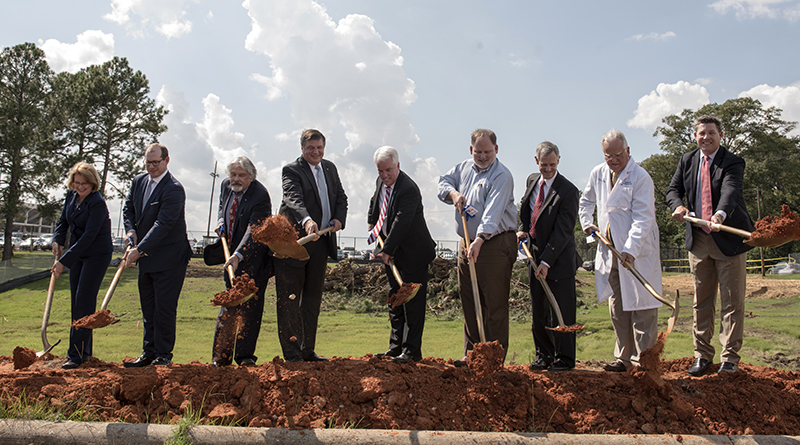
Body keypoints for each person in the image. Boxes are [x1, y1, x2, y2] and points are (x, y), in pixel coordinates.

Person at [666, 115, 754, 376]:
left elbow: (730, 191)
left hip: (728, 241)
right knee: (702, 302)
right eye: (701, 133)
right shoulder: (688, 160)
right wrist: (678, 206)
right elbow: (673, 189)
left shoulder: (733, 162)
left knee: (731, 302)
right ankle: (702, 355)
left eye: (711, 132)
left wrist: (719, 215)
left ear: (720, 135)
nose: (706, 137)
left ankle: (729, 358)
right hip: (699, 241)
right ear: (695, 136)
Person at [579, 130, 662, 372]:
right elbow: (586, 201)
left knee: (643, 307)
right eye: (608, 156)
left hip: (636, 253)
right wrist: (587, 223)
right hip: (609, 250)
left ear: (627, 151)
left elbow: (643, 218)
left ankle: (644, 362)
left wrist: (631, 249)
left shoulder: (641, 178)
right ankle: (623, 358)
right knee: (618, 306)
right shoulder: (598, 173)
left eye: (618, 155)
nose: (613, 160)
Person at [437, 129, 517, 366]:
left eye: (487, 152)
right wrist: (453, 193)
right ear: (471, 150)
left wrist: (480, 239)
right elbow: (443, 182)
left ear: (496, 150)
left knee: (493, 303)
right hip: (467, 242)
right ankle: (472, 355)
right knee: (470, 299)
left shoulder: (502, 176)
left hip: (494, 243)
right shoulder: (463, 168)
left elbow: (492, 213)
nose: (483, 156)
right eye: (478, 152)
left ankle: (493, 358)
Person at [275, 129, 348, 362]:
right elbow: (292, 199)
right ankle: (292, 352)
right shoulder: (292, 170)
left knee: (313, 299)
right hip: (296, 243)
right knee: (290, 298)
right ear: (302, 148)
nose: (316, 152)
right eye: (311, 148)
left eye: (319, 147)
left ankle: (307, 350)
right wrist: (307, 221)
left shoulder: (330, 168)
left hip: (321, 243)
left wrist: (338, 218)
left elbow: (341, 198)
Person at [122, 143, 192, 367]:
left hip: (170, 257)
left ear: (166, 161)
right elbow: (128, 209)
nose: (151, 167)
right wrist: (130, 230)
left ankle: (163, 355)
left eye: (156, 162)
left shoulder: (173, 188)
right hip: (146, 257)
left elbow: (163, 224)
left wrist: (139, 250)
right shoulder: (138, 182)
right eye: (148, 162)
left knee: (164, 308)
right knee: (148, 307)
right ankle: (148, 351)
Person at [517, 142, 581, 372]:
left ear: (558, 161)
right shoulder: (532, 180)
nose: (548, 169)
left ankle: (564, 358)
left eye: (552, 165)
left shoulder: (568, 191)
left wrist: (546, 262)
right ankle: (543, 355)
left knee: (561, 310)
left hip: (559, 260)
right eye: (544, 165)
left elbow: (563, 231)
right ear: (537, 162)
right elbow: (526, 210)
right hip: (534, 256)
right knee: (540, 310)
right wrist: (523, 229)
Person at [368, 146, 436, 364]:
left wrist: (386, 250)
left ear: (398, 165)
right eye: (380, 171)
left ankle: (411, 350)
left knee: (412, 303)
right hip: (394, 252)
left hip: (413, 254)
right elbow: (375, 202)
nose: (384, 175)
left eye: (388, 170)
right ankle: (395, 347)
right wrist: (372, 223)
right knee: (395, 301)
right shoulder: (382, 181)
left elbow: (401, 222)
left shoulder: (408, 189)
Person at [51, 162, 114, 370]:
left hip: (96, 253)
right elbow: (62, 221)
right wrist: (57, 239)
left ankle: (76, 356)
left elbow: (88, 237)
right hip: (77, 252)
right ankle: (84, 352)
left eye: (85, 183)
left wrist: (63, 262)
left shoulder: (97, 203)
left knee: (84, 302)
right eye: (77, 183)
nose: (80, 187)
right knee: (76, 303)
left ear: (93, 183)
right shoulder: (71, 196)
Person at [211, 156, 272, 367]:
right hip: (231, 259)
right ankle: (221, 358)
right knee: (228, 308)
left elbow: (254, 230)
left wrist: (238, 255)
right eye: (233, 175)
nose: (235, 179)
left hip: (253, 260)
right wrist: (220, 220)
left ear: (251, 177)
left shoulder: (260, 195)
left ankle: (245, 357)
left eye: (241, 175)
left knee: (249, 310)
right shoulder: (226, 186)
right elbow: (222, 206)